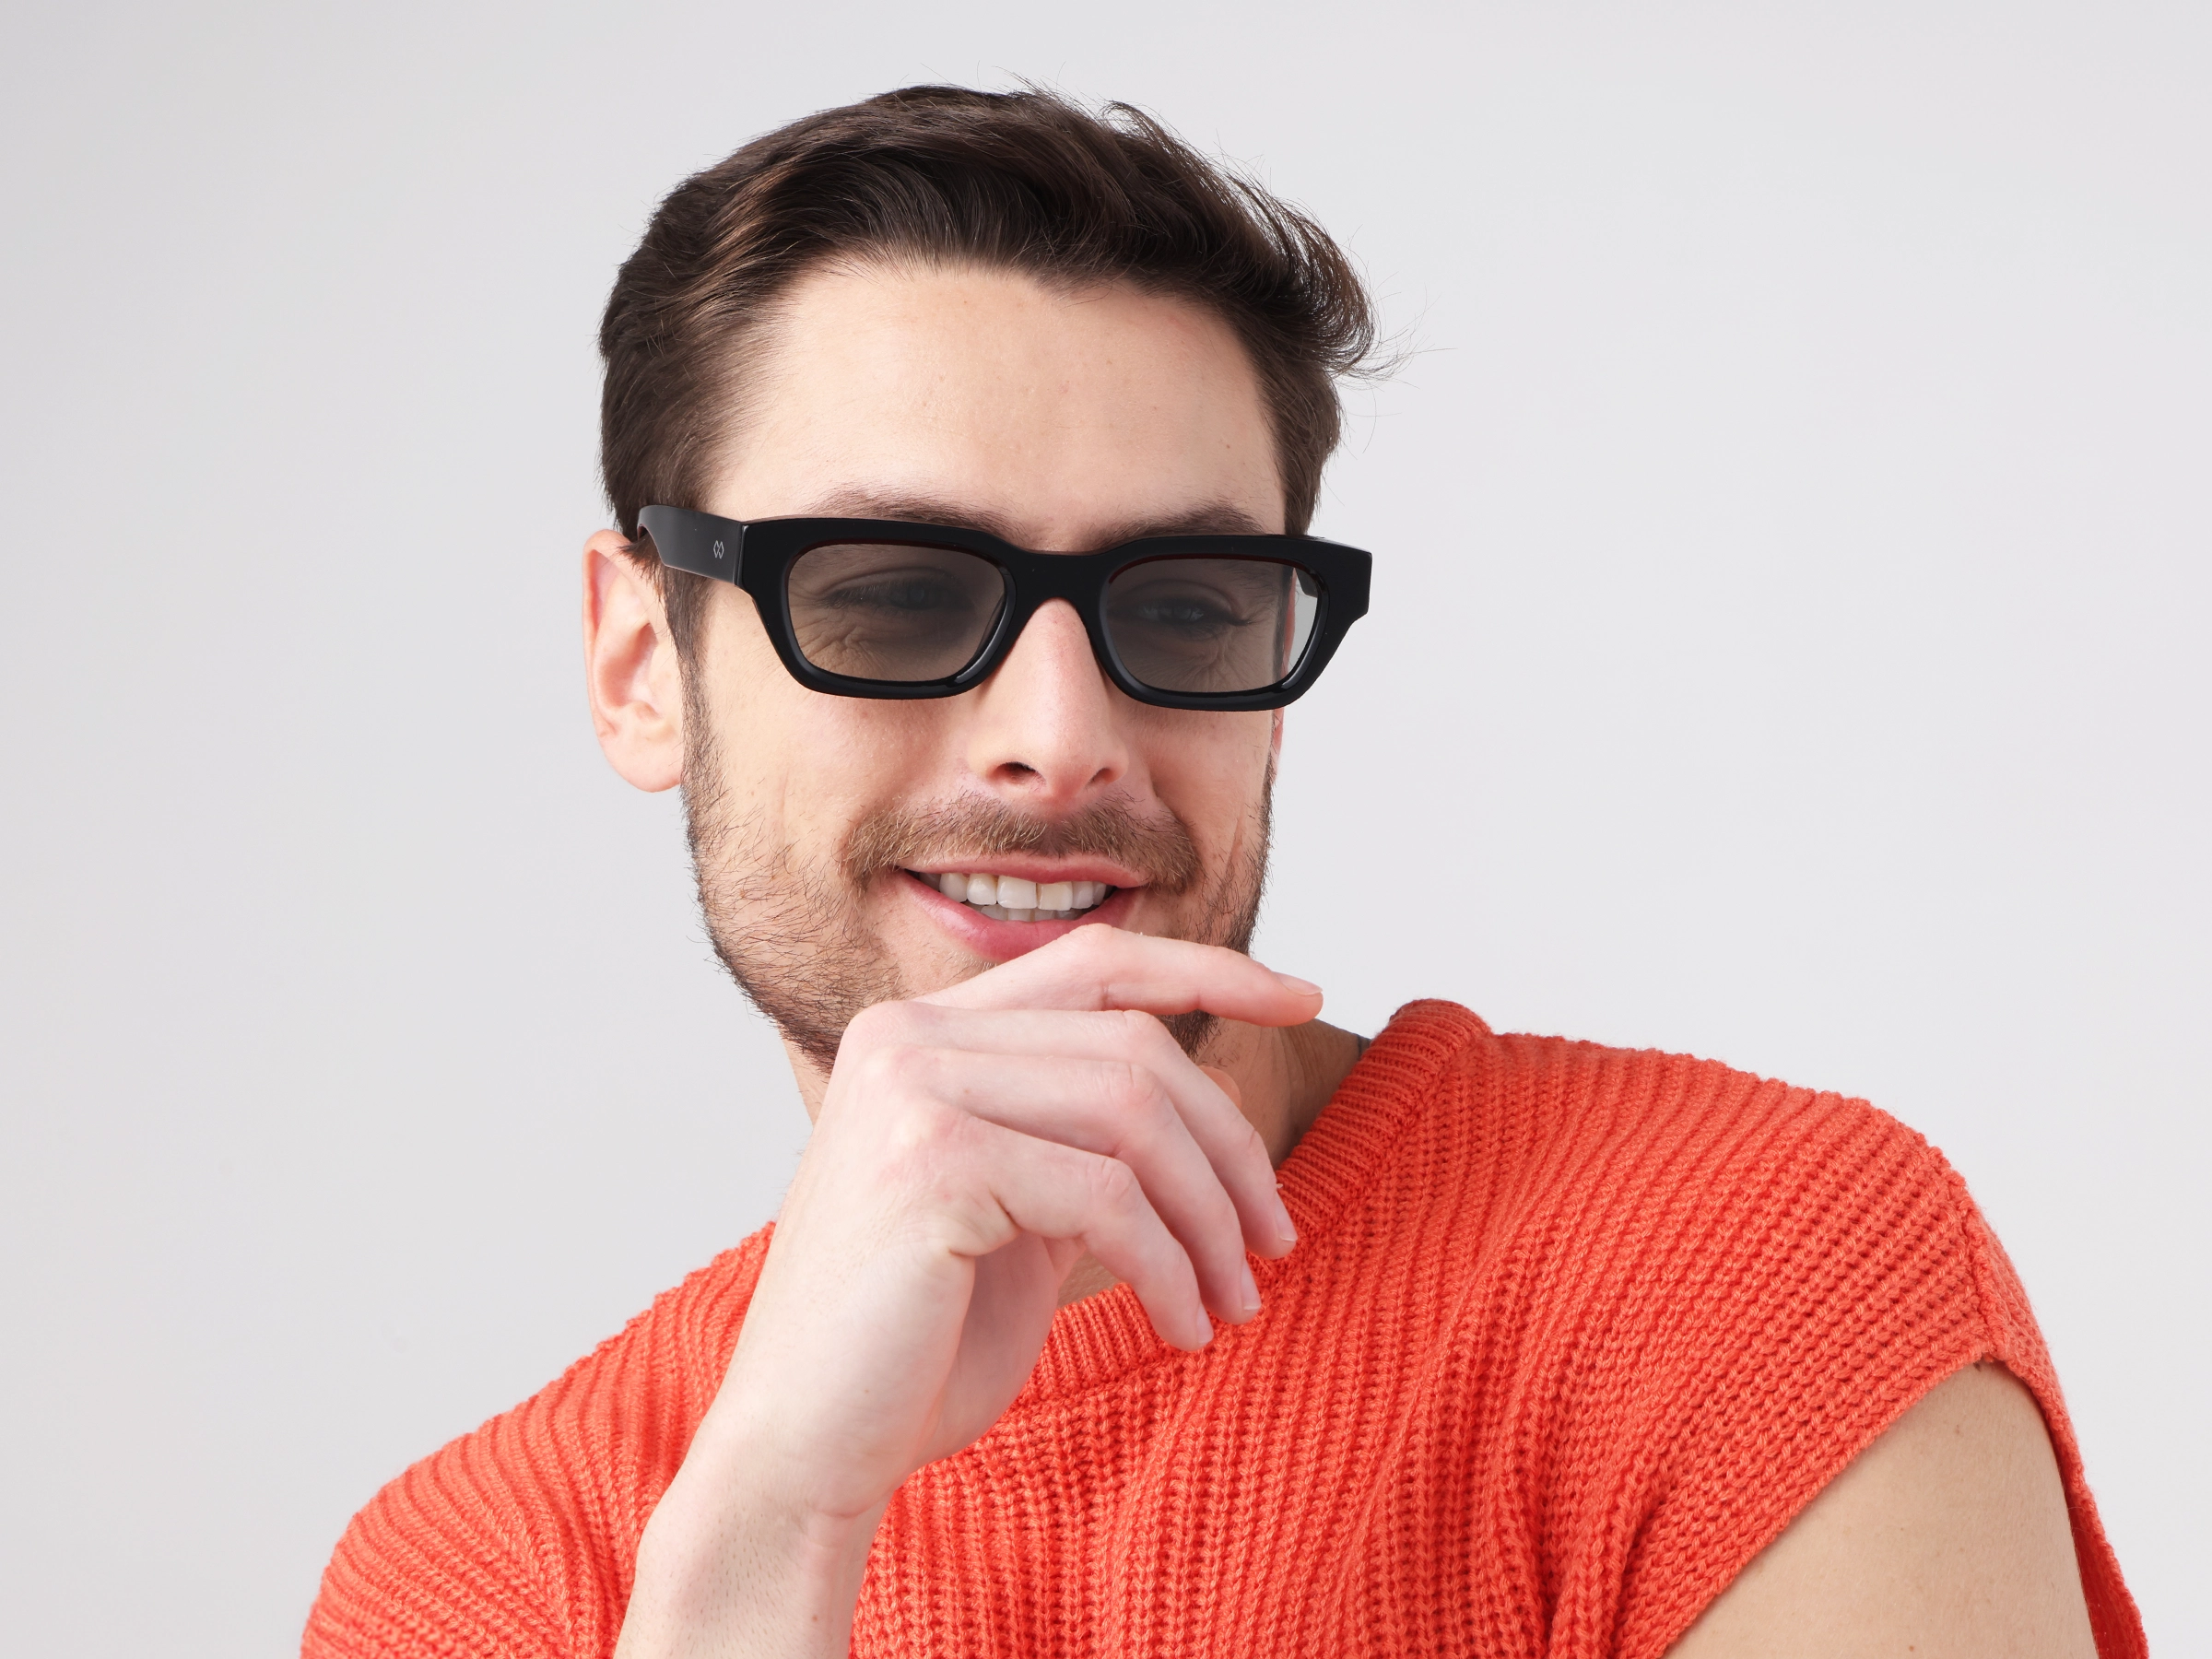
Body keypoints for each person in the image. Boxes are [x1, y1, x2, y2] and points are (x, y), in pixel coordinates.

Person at [302, 86, 2143, 1658]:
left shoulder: (1758, 1269)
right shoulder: (478, 1583)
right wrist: (768, 1524)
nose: (1061, 738)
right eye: (893, 596)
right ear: (643, 664)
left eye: (1181, 607)